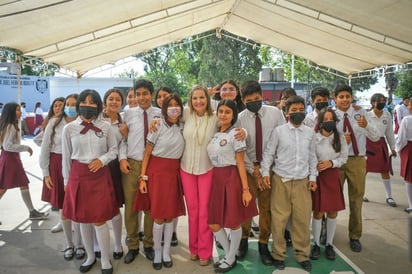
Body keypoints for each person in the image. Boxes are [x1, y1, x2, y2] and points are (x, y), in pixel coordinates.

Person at [62, 89, 118, 274]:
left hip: (99, 175)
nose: (88, 105)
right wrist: (66, 181)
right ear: (79, 105)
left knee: (100, 220)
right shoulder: (68, 129)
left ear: (98, 105)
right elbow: (66, 157)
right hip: (78, 176)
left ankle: (105, 259)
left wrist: (101, 160)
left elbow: (114, 151)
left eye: (92, 102)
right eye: (84, 101)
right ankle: (90, 256)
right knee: (82, 220)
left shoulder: (106, 126)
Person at [261, 95, 317, 272]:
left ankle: (302, 254)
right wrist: (264, 174)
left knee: (301, 220)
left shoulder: (310, 132)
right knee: (279, 220)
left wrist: (313, 178)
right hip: (281, 181)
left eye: (301, 110)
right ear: (286, 113)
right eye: (294, 110)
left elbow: (312, 157)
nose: (298, 113)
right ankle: (278, 255)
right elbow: (269, 154)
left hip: (302, 182)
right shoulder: (279, 131)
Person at [237, 80, 284, 265]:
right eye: (249, 100)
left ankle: (263, 244)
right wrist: (254, 170)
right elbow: (240, 148)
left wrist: (265, 170)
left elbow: (281, 141)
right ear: (243, 100)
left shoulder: (275, 114)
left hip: (269, 168)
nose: (254, 102)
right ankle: (243, 240)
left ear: (261, 95)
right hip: (248, 167)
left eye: (257, 98)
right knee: (246, 206)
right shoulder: (239, 118)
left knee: (266, 208)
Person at [136, 93, 186, 270]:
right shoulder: (157, 126)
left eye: (177, 104)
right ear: (164, 108)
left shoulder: (183, 125)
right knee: (158, 216)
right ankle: (157, 252)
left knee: (170, 215)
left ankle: (166, 252)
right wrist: (143, 177)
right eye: (170, 105)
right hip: (156, 173)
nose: (174, 108)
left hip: (174, 173)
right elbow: (147, 153)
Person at [207, 99, 258, 273]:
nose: (223, 115)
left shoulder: (236, 134)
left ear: (233, 115)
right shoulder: (215, 133)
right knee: (214, 222)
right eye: (220, 111)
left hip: (231, 178)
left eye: (227, 112)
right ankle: (231, 254)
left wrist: (245, 189)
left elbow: (241, 162)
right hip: (216, 179)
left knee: (234, 222)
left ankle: (229, 258)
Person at [333, 84, 379, 253]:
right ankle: (326, 230)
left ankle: (355, 236)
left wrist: (366, 125)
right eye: (341, 96)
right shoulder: (332, 115)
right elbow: (323, 139)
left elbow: (375, 136)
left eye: (347, 96)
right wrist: (339, 139)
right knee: (332, 198)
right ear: (335, 99)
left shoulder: (362, 113)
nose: (345, 99)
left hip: (357, 161)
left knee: (356, 200)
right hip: (337, 161)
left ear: (352, 98)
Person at [39, 94, 84, 260]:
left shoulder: (83, 122)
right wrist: (46, 172)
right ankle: (69, 244)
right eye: (68, 104)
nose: (70, 107)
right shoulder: (54, 123)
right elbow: (45, 148)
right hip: (57, 166)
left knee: (78, 207)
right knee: (64, 209)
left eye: (74, 104)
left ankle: (80, 244)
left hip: (78, 166)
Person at [119, 79, 159, 264]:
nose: (141, 97)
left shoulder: (160, 114)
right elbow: (122, 140)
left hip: (153, 164)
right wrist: (122, 158)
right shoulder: (127, 113)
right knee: (131, 207)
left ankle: (149, 245)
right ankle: (133, 245)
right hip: (132, 164)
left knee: (151, 207)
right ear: (134, 95)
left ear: (152, 94)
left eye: (145, 93)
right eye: (138, 94)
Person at [180, 85, 217, 266]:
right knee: (192, 211)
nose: (198, 101)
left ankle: (205, 251)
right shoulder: (186, 114)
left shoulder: (215, 116)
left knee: (204, 211)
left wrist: (244, 132)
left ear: (207, 99)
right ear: (190, 100)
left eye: (202, 98)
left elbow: (232, 126)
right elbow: (167, 115)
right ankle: (193, 249)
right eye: (195, 98)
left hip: (207, 168)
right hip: (186, 168)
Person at [310, 107, 347, 261]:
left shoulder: (340, 137)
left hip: (332, 175)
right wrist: (314, 173)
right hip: (318, 177)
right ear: (320, 122)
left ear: (335, 121)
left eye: (331, 119)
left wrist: (331, 163)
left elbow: (344, 157)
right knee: (318, 212)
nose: (329, 122)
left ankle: (330, 244)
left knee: (332, 212)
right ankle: (316, 244)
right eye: (325, 119)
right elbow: (311, 157)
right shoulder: (314, 137)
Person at [0, 102, 48, 221]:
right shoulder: (10, 126)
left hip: (10, 158)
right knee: (4, 187)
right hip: (10, 159)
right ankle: (32, 212)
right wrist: (26, 148)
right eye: (17, 110)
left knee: (21, 184)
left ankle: (32, 211)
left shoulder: (10, 125)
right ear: (10, 112)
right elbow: (8, 146)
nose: (20, 112)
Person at [100, 88, 128, 260]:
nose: (114, 102)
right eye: (111, 99)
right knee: (97, 206)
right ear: (105, 101)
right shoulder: (96, 119)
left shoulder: (122, 122)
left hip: (115, 167)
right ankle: (97, 244)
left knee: (115, 206)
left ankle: (117, 244)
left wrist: (126, 135)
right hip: (98, 166)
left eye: (118, 100)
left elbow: (124, 144)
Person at [153, 86, 180, 247]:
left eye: (166, 96)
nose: (162, 98)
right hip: (157, 169)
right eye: (160, 96)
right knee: (157, 209)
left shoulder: (182, 122)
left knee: (172, 208)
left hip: (175, 169)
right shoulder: (156, 122)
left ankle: (171, 236)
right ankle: (156, 248)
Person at [364, 93, 397, 207]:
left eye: (384, 100)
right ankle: (361, 193)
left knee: (384, 170)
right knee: (364, 170)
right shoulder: (367, 115)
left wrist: (392, 147)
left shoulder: (387, 115)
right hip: (368, 144)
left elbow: (389, 133)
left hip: (381, 144)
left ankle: (389, 196)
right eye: (380, 101)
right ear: (373, 102)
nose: (382, 103)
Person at [396, 98, 412, 213]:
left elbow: (401, 138)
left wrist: (398, 149)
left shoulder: (407, 120)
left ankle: (411, 205)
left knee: (409, 178)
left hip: (409, 148)